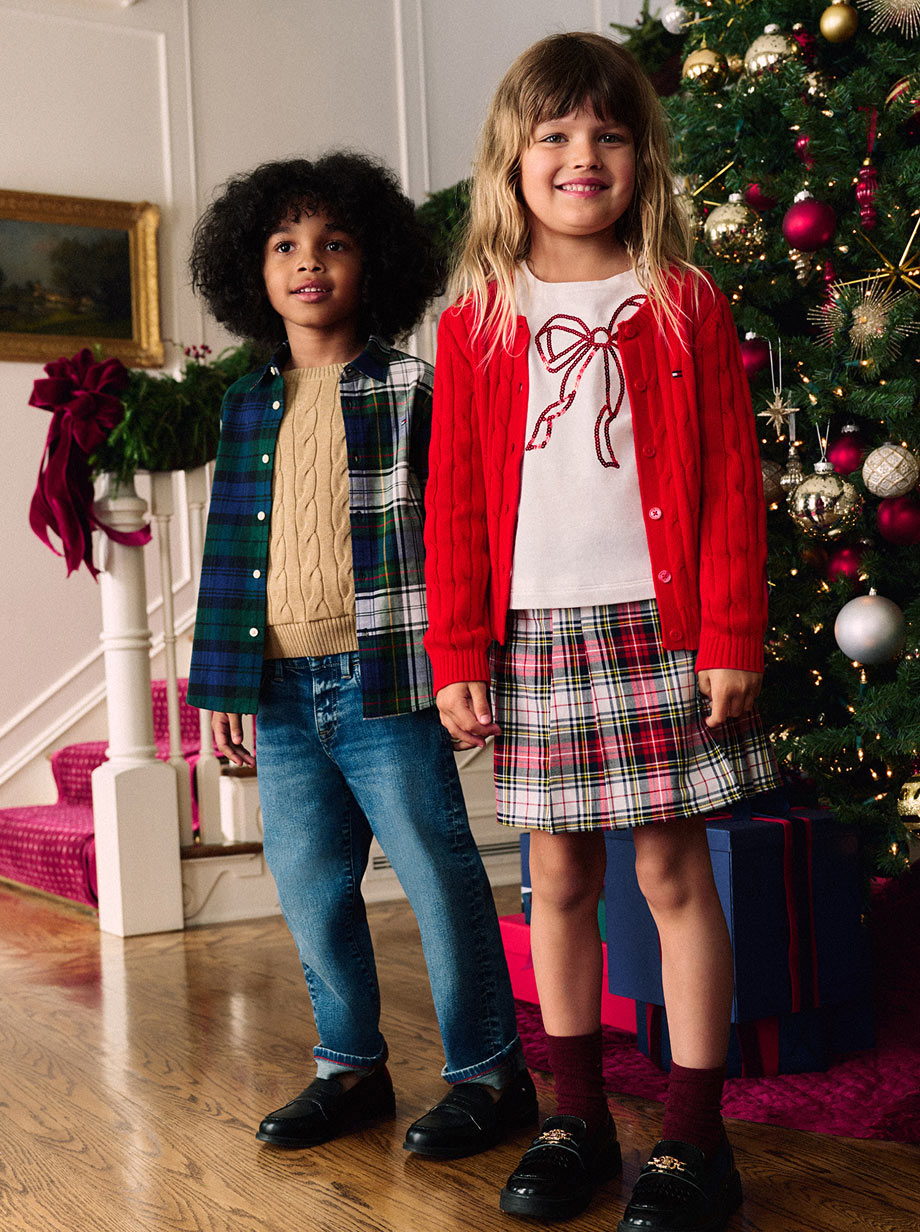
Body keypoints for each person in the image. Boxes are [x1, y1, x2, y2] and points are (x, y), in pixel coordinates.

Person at [424, 32, 781, 1231]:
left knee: (673, 869)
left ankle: (689, 1137)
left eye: (608, 135)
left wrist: (730, 630)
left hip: (661, 627)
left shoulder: (681, 301)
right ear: (511, 159)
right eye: (556, 135)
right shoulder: (477, 316)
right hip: (531, 636)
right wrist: (457, 651)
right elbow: (457, 498)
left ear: (641, 156)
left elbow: (732, 480)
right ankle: (573, 1114)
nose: (583, 156)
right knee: (559, 871)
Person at [185, 153, 536, 1164]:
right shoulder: (244, 402)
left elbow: (459, 530)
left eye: (333, 244)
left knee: (435, 873)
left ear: (371, 262)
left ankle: (488, 1071)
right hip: (281, 686)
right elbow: (229, 545)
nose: (308, 264)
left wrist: (465, 654)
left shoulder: (411, 389)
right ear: (250, 270)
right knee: (307, 882)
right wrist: (220, 682)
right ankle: (349, 1065)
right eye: (285, 245)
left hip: (387, 677)